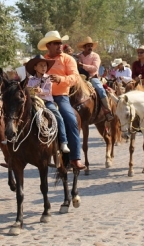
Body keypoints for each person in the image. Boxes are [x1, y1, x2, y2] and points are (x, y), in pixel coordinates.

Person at [37, 30, 86, 170]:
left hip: (60, 97)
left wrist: (61, 79)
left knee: (71, 120)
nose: (60, 45)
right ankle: (16, 154)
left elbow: (75, 77)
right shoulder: (42, 61)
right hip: (42, 97)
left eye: (60, 43)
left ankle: (75, 158)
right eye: (56, 43)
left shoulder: (68, 59)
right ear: (48, 46)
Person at [25, 55, 70, 153]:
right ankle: (17, 138)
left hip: (47, 102)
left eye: (45, 65)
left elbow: (48, 91)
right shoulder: (31, 80)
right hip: (34, 101)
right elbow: (28, 90)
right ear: (35, 67)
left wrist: (39, 90)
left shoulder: (48, 78)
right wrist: (30, 91)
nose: (44, 67)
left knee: (58, 116)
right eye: (41, 65)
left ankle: (63, 142)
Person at [77, 36, 114, 121]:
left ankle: (107, 111)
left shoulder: (95, 56)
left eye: (91, 46)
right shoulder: (79, 56)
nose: (90, 47)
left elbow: (95, 68)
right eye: (88, 46)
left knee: (100, 90)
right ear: (84, 47)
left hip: (92, 77)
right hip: (80, 78)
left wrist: (82, 65)